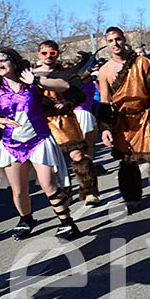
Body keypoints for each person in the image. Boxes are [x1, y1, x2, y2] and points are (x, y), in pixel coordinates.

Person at [0, 48, 80, 239]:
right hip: (11, 144)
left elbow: (63, 86)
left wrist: (36, 80)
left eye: (4, 60)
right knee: (19, 191)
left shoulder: (31, 78)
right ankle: (26, 219)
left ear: (14, 62)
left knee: (49, 185)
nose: (0, 65)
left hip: (39, 140)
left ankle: (67, 222)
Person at [97, 27, 150, 212]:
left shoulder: (143, 62)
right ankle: (131, 197)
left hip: (146, 115)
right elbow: (104, 102)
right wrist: (105, 128)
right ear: (107, 44)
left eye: (117, 39)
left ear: (123, 39)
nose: (115, 44)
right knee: (127, 161)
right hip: (122, 121)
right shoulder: (104, 70)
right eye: (110, 41)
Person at [34, 40, 101, 206]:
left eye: (52, 53)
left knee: (79, 156)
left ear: (57, 54)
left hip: (66, 119)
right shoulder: (30, 75)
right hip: (43, 122)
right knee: (53, 163)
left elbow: (79, 94)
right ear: (39, 55)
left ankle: (89, 192)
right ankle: (65, 194)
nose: (48, 56)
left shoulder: (68, 73)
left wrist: (67, 102)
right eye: (44, 53)